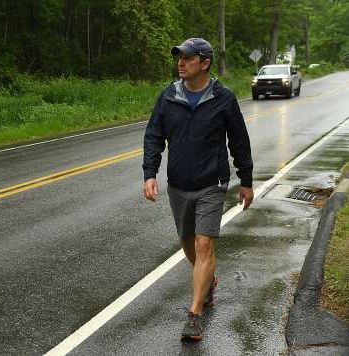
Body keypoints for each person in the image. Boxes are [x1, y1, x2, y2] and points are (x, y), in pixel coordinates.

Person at [142, 38, 254, 341]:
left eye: (188, 58)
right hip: (178, 185)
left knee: (205, 245)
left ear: (204, 63)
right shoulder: (168, 97)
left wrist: (246, 180)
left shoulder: (223, 98)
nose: (180, 62)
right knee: (188, 243)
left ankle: (195, 313)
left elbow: (239, 141)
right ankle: (208, 281)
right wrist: (149, 173)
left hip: (211, 183)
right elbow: (154, 136)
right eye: (179, 57)